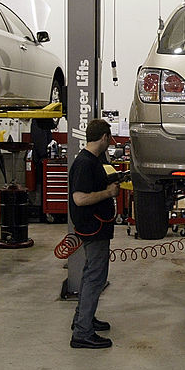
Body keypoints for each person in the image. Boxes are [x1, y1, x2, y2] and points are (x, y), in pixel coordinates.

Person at [68, 119, 120, 349]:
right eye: (109, 139)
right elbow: (79, 198)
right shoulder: (84, 163)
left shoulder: (95, 161)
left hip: (97, 227)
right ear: (105, 138)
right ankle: (82, 332)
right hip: (93, 227)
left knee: (92, 274)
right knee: (95, 277)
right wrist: (108, 193)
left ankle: (84, 319)